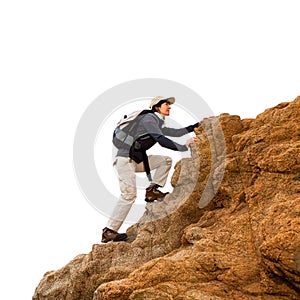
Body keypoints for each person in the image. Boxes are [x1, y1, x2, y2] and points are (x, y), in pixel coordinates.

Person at [101, 96, 199, 243]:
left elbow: (176, 132)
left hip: (135, 160)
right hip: (125, 160)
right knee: (129, 194)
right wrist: (183, 146)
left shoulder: (156, 122)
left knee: (165, 161)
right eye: (166, 104)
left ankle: (152, 191)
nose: (169, 107)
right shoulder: (149, 119)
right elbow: (160, 139)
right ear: (157, 107)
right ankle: (109, 231)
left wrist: (196, 126)